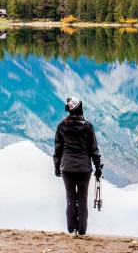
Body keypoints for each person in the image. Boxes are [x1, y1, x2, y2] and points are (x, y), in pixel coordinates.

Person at [53, 96, 103, 239]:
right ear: (80, 109)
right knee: (82, 198)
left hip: (67, 167)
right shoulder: (87, 126)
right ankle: (82, 232)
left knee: (70, 197)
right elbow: (94, 149)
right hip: (84, 168)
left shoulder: (62, 126)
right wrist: (98, 168)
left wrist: (57, 168)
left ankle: (71, 230)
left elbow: (58, 150)